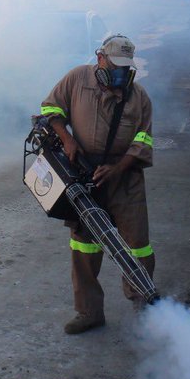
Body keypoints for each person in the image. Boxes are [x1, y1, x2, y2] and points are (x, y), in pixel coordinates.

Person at [40, 33, 155, 334]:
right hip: (84, 177)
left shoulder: (138, 97)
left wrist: (117, 169)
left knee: (137, 246)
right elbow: (51, 109)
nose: (120, 73)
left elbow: (142, 141)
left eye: (125, 67)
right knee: (84, 246)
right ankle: (89, 312)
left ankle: (145, 306)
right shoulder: (77, 78)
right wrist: (67, 140)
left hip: (125, 179)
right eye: (115, 65)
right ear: (101, 58)